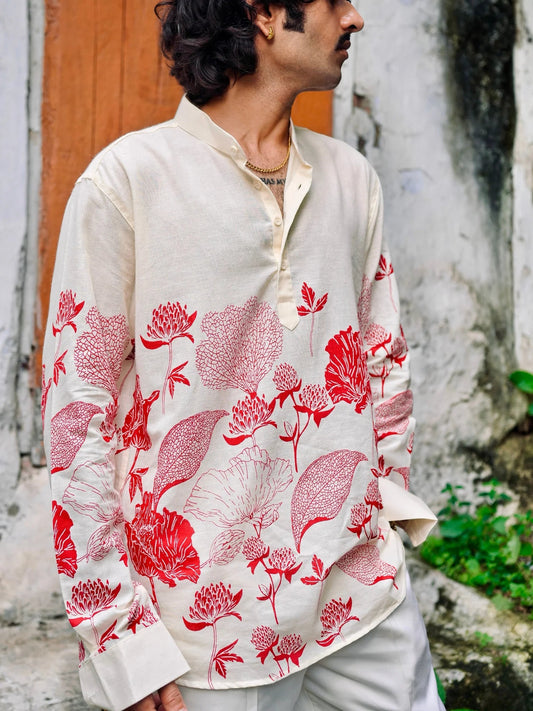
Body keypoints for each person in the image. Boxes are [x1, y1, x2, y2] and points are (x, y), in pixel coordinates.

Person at [42, 1, 445, 710]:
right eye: (332, 0)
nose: (353, 18)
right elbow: (78, 416)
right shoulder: (125, 183)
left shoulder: (351, 178)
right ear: (261, 12)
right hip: (206, 631)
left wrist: (382, 511)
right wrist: (119, 636)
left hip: (361, 600)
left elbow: (381, 361)